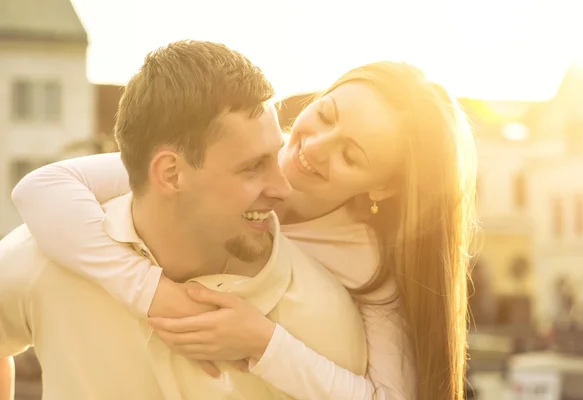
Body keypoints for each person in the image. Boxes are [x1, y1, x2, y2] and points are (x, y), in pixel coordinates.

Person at [11, 56, 478, 399]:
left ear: (380, 189)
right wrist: (148, 291)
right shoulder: (230, 157)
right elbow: (44, 187)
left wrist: (262, 343)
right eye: (327, 114)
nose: (314, 146)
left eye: (350, 156)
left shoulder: (369, 268)